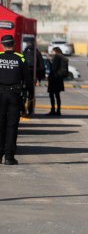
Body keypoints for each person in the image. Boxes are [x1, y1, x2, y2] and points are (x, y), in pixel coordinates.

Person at [0, 35, 32, 165]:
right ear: (14, 44)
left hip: (0, 95)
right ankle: (9, 157)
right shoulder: (21, 58)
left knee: (0, 124)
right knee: (12, 126)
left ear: (2, 45)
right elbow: (28, 79)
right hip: (14, 95)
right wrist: (30, 94)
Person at [22, 38, 44, 116]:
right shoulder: (37, 53)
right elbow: (42, 66)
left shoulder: (24, 52)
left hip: (24, 77)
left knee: (23, 94)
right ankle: (30, 110)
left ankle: (23, 110)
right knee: (31, 94)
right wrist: (40, 77)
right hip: (32, 77)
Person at [47, 47, 67, 116]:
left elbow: (53, 68)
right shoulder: (62, 57)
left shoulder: (56, 57)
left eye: (52, 51)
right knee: (57, 95)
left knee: (51, 95)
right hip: (59, 79)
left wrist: (49, 61)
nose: (52, 52)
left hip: (54, 78)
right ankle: (58, 111)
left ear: (55, 51)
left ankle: (53, 110)